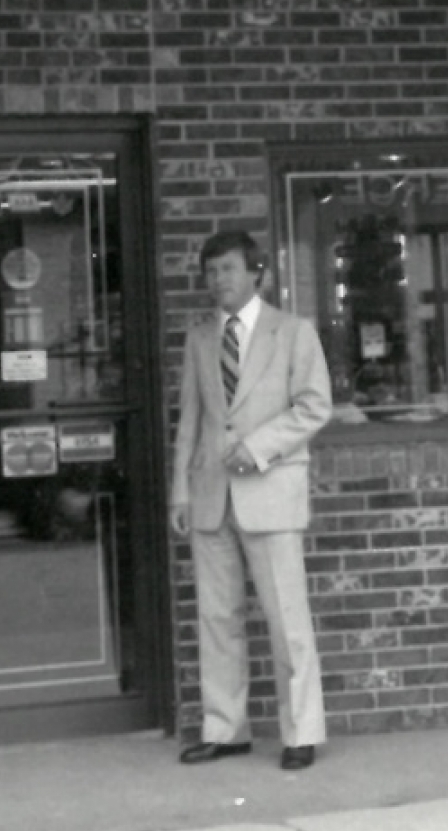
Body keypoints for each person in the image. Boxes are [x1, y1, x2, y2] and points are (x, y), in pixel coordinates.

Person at [169, 228, 331, 771]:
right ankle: (225, 727)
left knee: (286, 617)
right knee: (218, 617)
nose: (219, 281)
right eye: (211, 271)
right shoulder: (198, 339)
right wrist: (179, 492)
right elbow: (190, 420)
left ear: (256, 272)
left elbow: (314, 407)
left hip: (271, 493)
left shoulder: (293, 332)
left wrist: (258, 449)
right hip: (210, 496)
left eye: (229, 270)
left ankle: (301, 731)